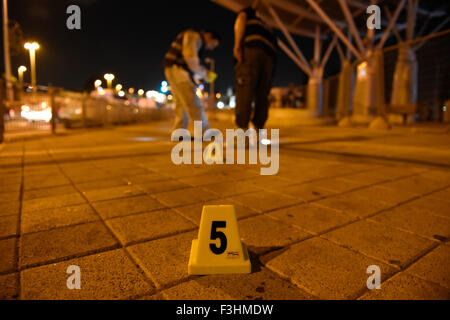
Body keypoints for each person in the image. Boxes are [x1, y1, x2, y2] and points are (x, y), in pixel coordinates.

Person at [233, 0, 277, 133]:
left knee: (245, 88)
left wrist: (237, 45)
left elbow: (241, 18)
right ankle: (259, 129)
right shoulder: (270, 26)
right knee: (263, 93)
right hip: (269, 56)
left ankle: (242, 130)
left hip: (252, 51)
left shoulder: (250, 13)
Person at [164, 29, 220, 132]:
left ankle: (179, 133)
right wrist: (206, 74)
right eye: (213, 44)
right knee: (193, 103)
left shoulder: (192, 37)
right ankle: (204, 131)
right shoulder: (194, 36)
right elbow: (190, 58)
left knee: (181, 104)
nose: (210, 48)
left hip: (173, 69)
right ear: (209, 35)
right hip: (178, 71)